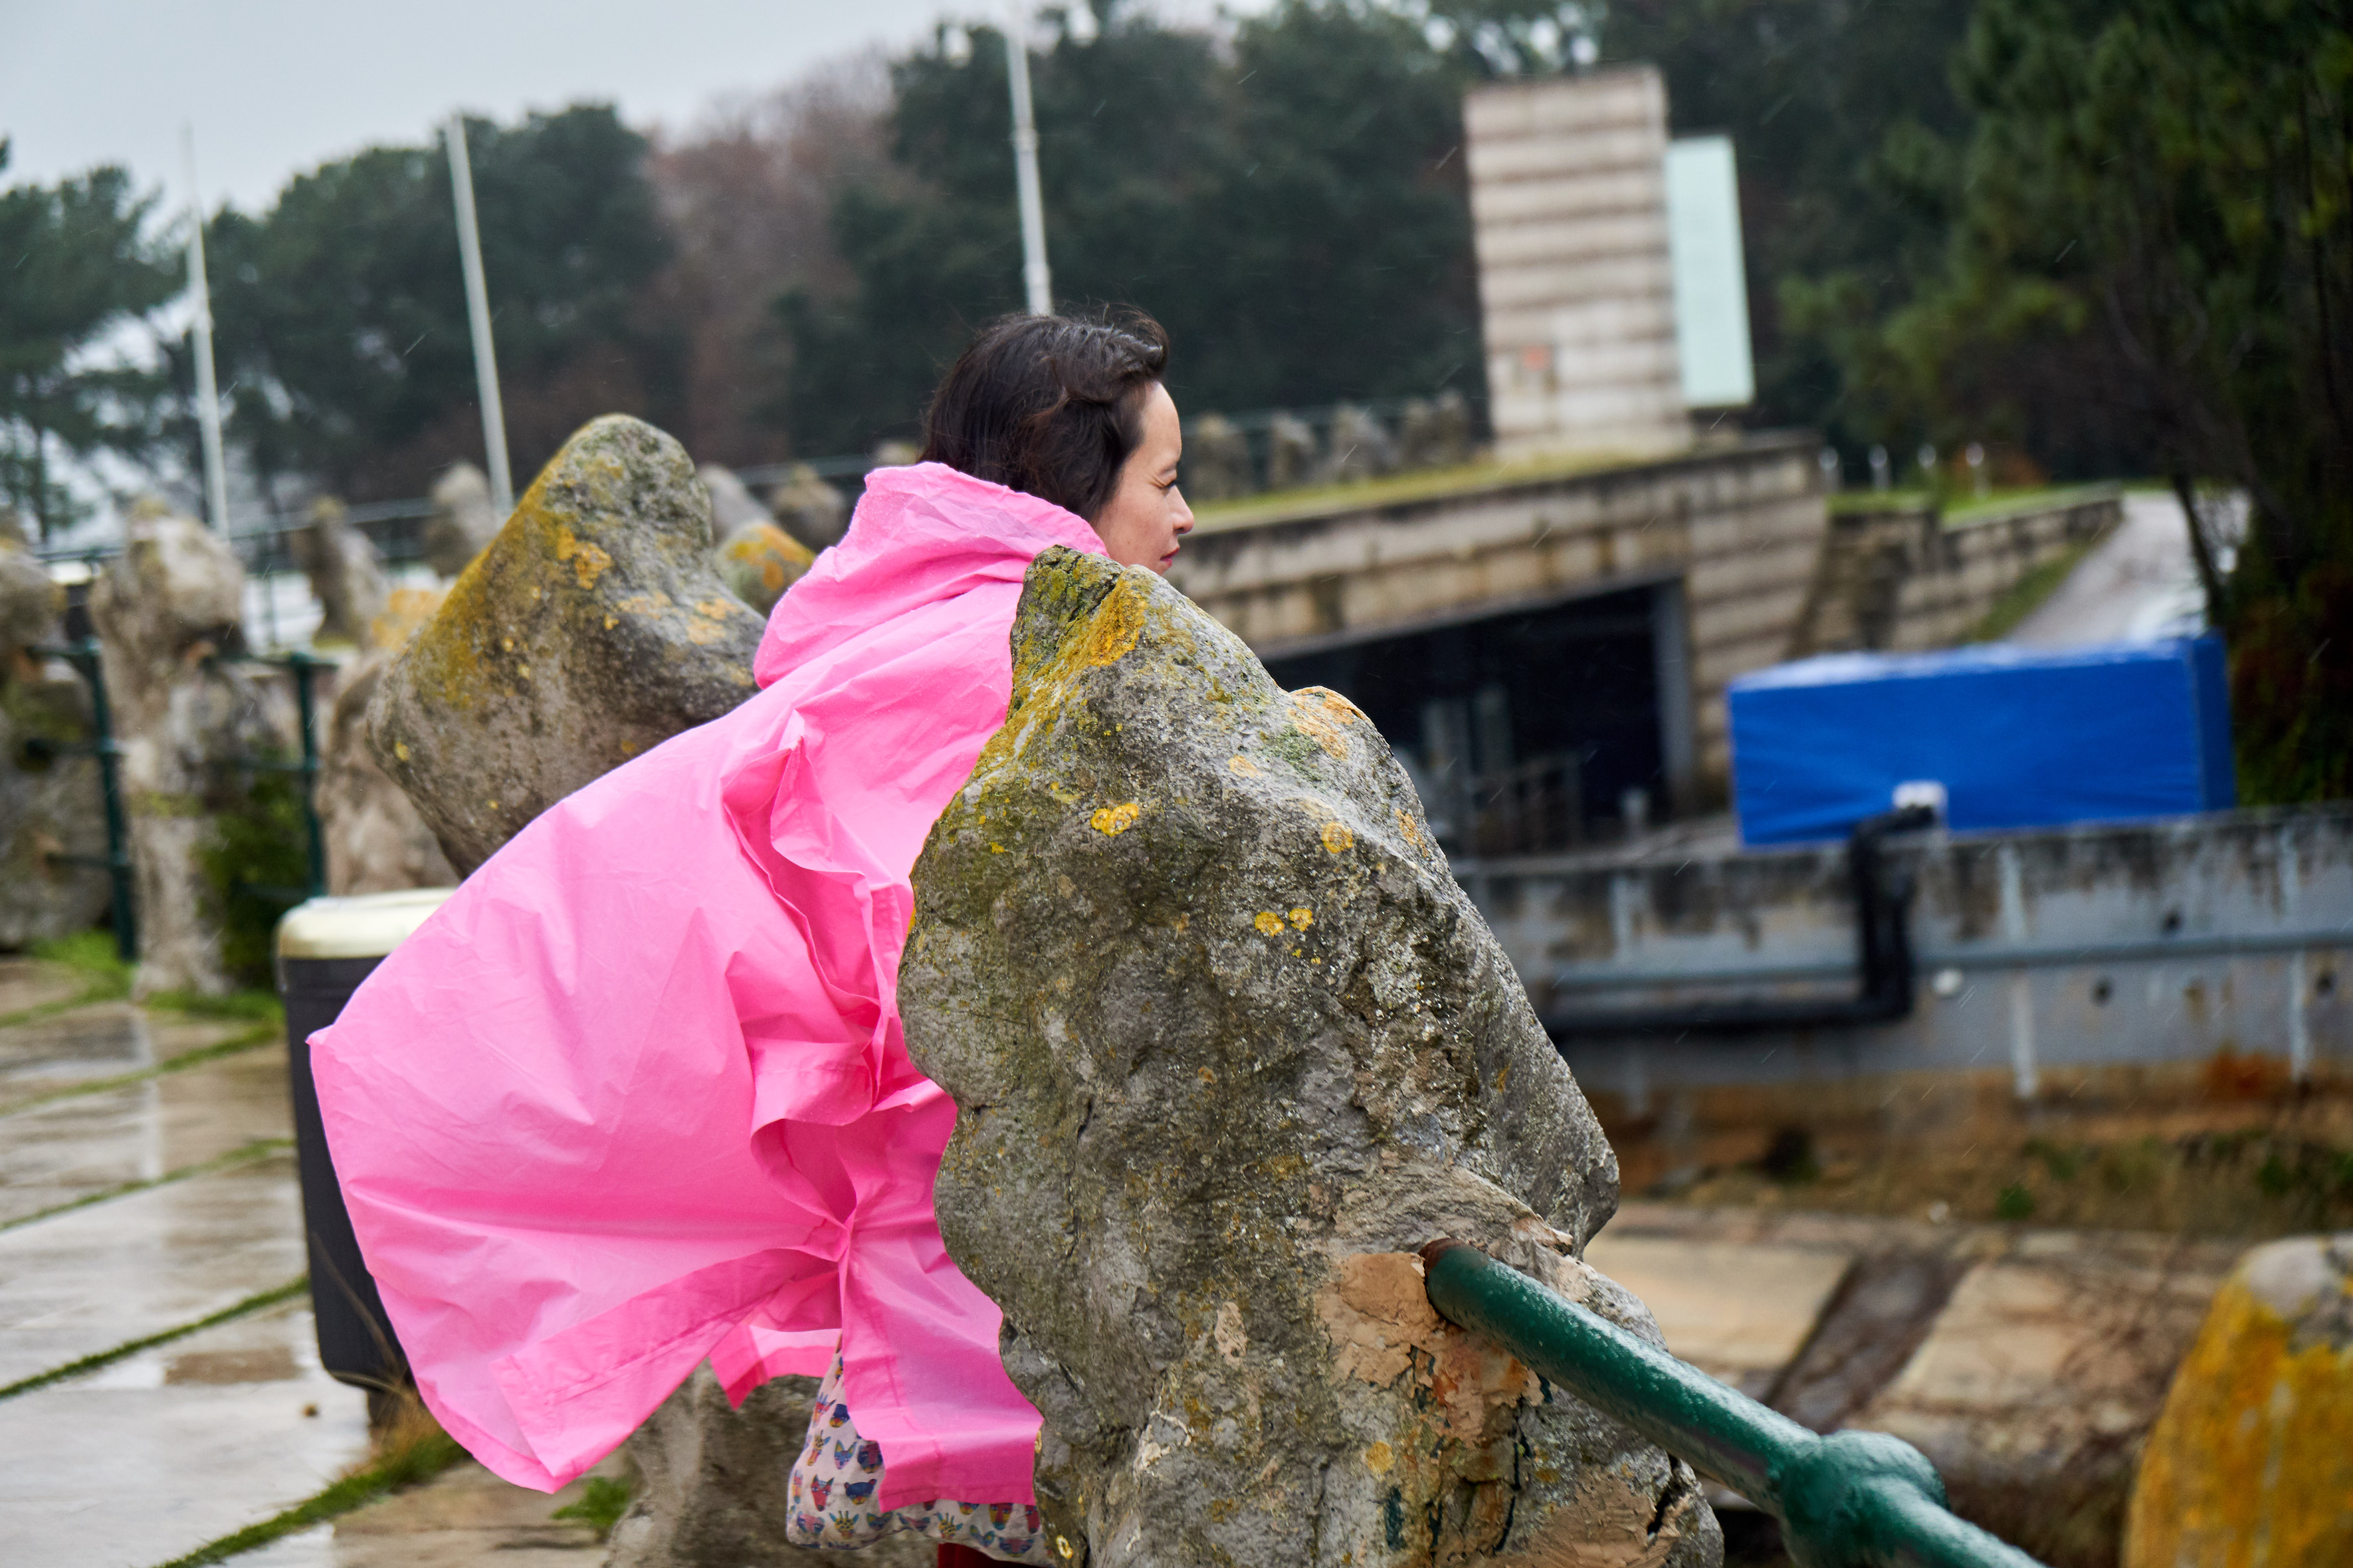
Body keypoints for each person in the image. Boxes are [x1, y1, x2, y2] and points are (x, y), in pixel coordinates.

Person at [310, 311, 1193, 1565]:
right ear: (1069, 488)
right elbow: (927, 981)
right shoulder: (993, 658)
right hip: (980, 1291)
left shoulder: (910, 625)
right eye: (1162, 482)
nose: (1185, 518)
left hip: (930, 1274)